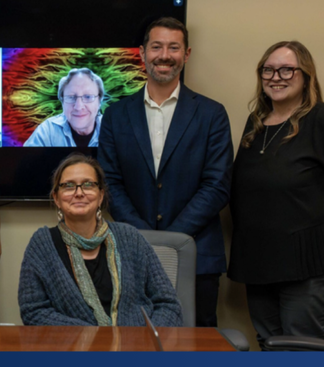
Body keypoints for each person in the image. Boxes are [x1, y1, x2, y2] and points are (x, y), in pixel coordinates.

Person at [228, 41, 324, 348]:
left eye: (286, 69)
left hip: (311, 264)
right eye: (268, 69)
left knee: (300, 348)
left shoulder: (322, 119)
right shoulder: (256, 123)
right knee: (269, 345)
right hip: (259, 262)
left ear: (306, 75)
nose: (276, 76)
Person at [98, 17, 232, 327]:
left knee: (196, 350)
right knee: (136, 345)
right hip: (132, 256)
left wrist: (171, 240)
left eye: (174, 47)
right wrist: (145, 239)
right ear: (142, 53)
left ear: (186, 55)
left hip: (198, 256)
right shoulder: (117, 115)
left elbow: (217, 185)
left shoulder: (212, 114)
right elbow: (110, 183)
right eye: (156, 46)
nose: (164, 55)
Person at [19, 153, 182, 327]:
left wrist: (144, 341)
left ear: (101, 195)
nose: (79, 193)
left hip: (136, 348)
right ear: (56, 198)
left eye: (88, 185)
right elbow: (33, 312)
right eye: (68, 186)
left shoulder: (130, 237)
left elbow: (168, 304)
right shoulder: (42, 245)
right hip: (73, 350)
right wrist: (94, 338)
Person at [23, 68, 106, 147]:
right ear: (62, 101)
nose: (78, 106)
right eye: (71, 97)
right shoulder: (47, 130)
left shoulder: (113, 130)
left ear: (99, 101)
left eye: (88, 97)